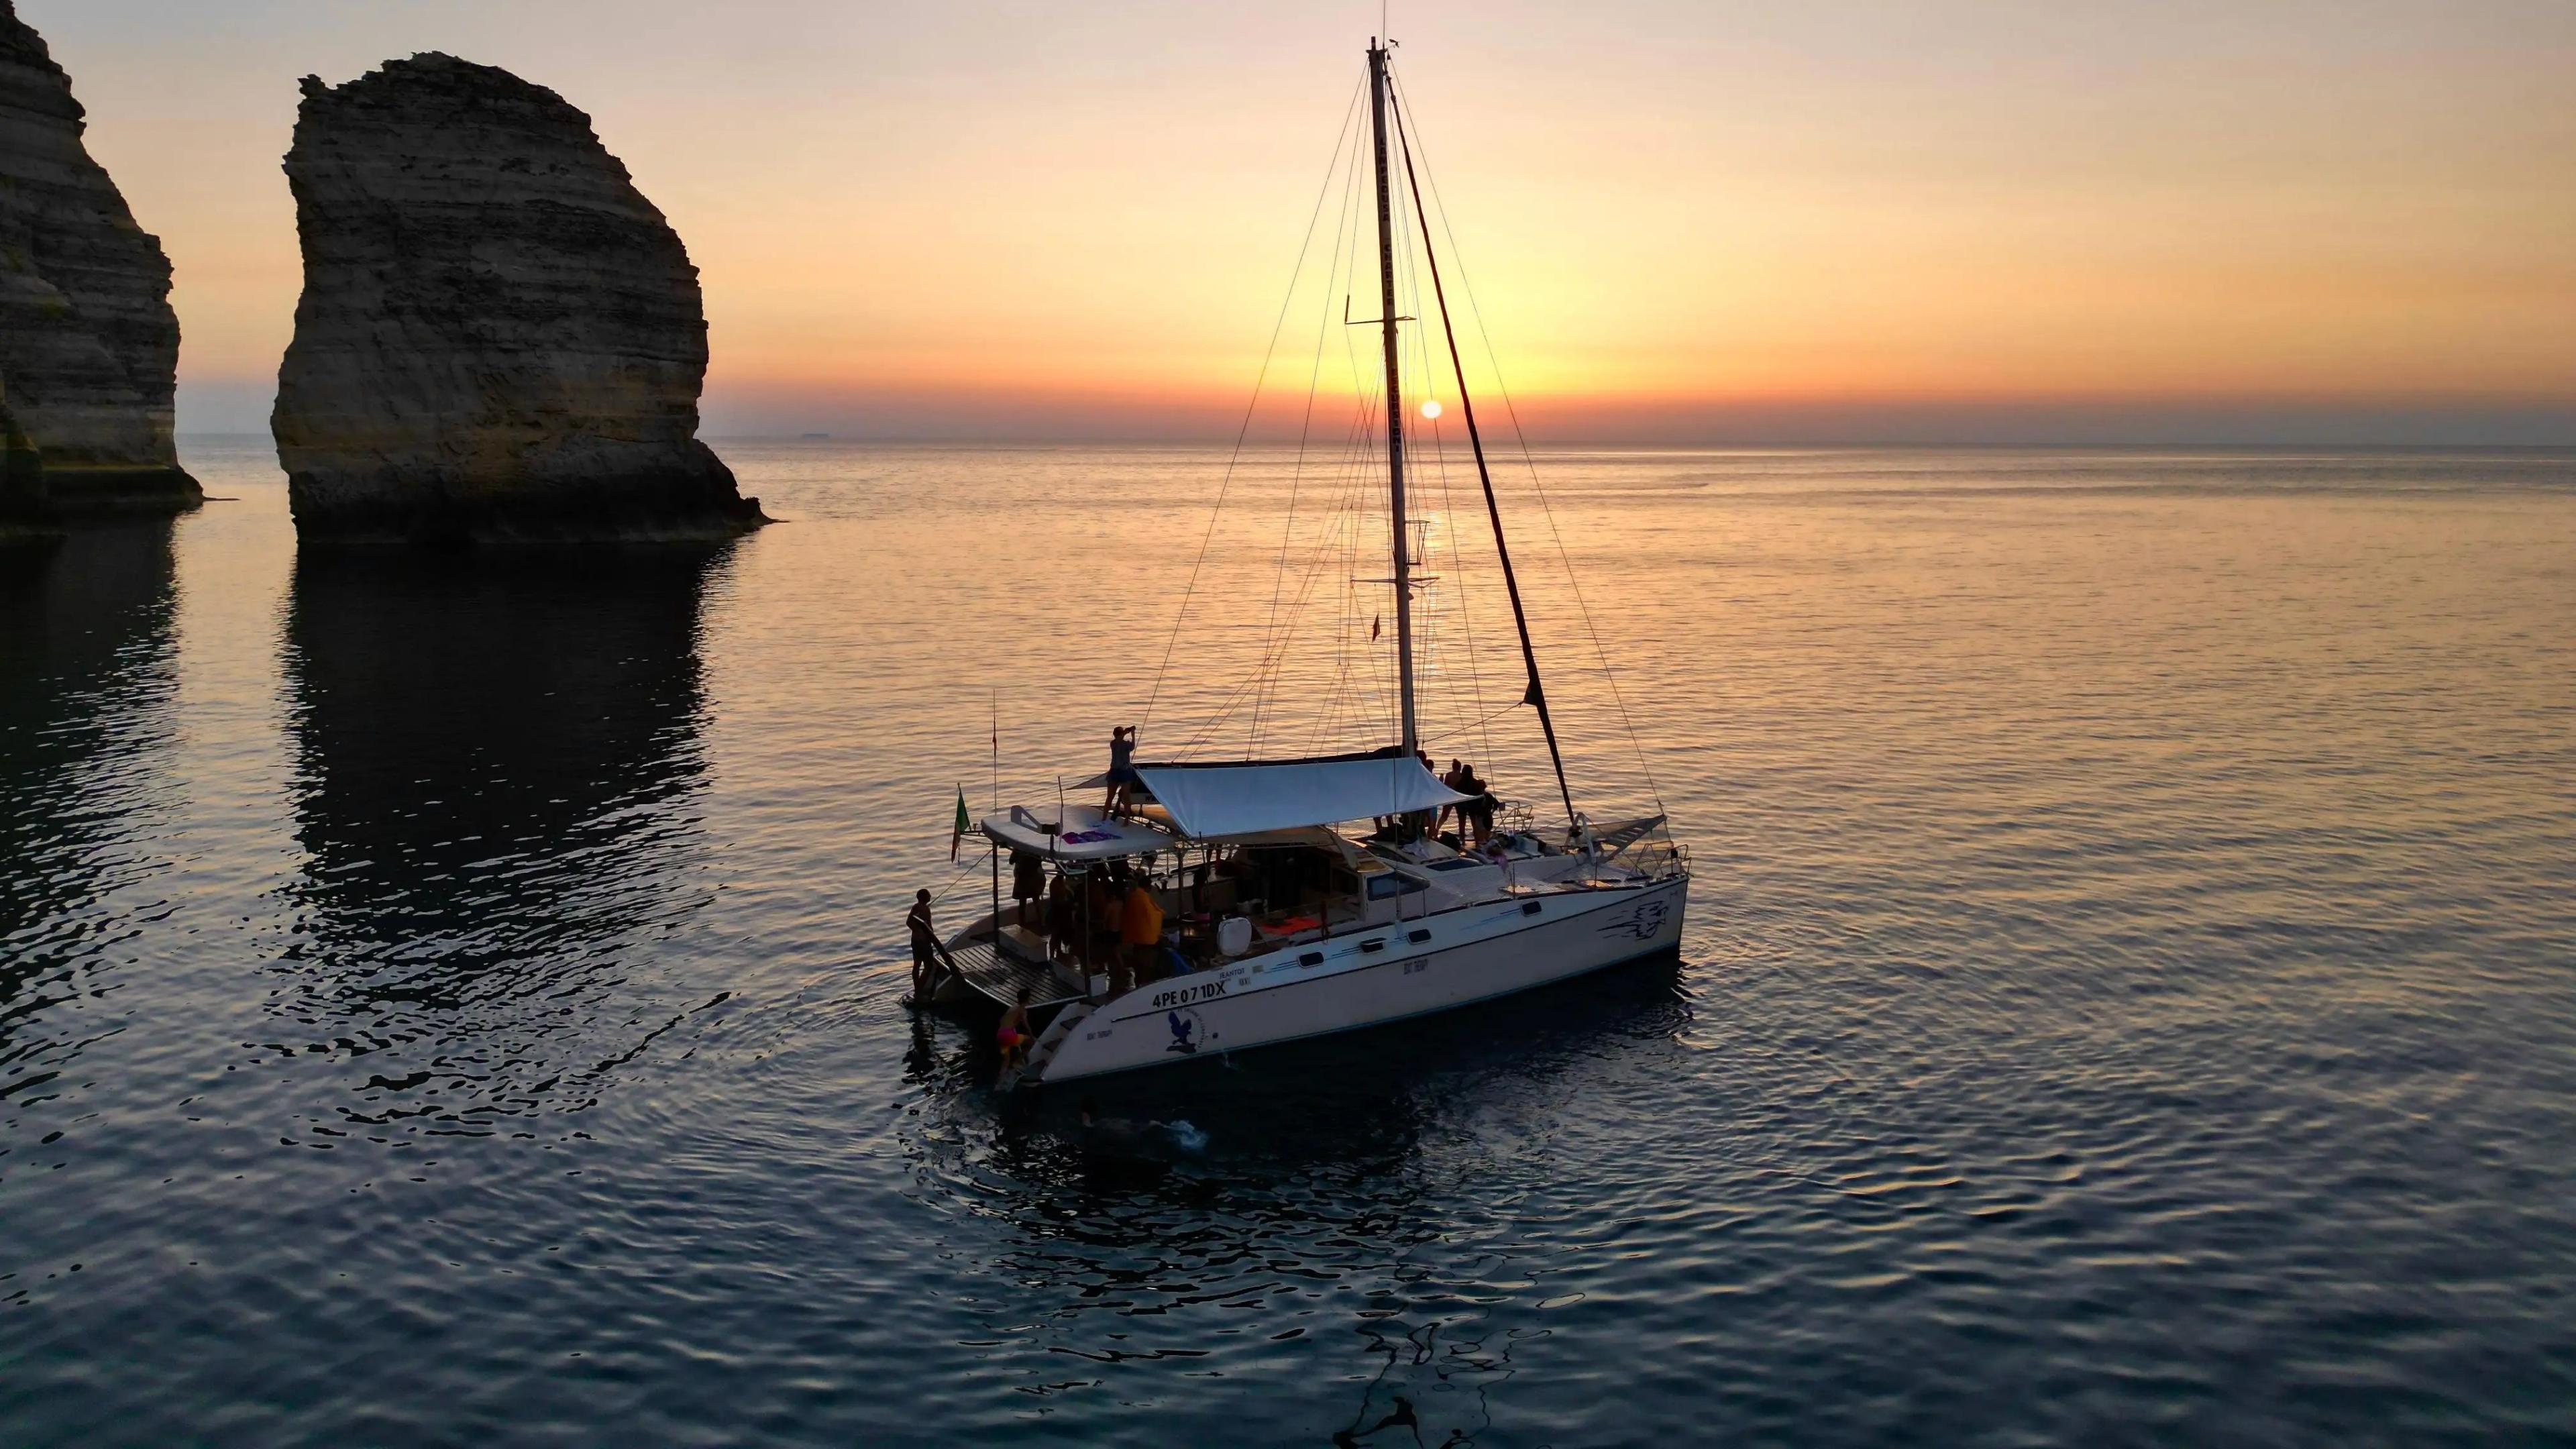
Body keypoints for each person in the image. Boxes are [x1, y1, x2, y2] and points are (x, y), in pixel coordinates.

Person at [906, 888, 955, 1004]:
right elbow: (929, 926)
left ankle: (917, 989)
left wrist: (916, 930)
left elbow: (909, 922)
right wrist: (930, 937)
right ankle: (919, 991)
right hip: (923, 942)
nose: (931, 896)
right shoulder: (926, 909)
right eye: (929, 895)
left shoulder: (915, 907)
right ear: (924, 897)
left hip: (915, 941)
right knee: (928, 966)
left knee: (917, 965)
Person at [1120, 871, 1164, 992]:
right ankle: (1143, 986)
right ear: (1148, 887)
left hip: (1135, 936)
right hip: (1145, 937)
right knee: (1145, 965)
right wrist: (1159, 915)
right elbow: (1152, 915)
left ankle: (1139, 983)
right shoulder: (1143, 898)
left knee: (1138, 964)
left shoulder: (1133, 896)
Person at [1102, 724, 1140, 814]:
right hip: (1120, 772)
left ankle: (1108, 817)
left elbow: (1129, 745)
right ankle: (1105, 817)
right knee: (1112, 797)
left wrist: (1128, 732)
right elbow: (1132, 746)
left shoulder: (1115, 743)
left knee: (1123, 797)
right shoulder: (1118, 744)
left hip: (1119, 771)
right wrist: (1131, 734)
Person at [996, 987, 1034, 1071]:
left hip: (1000, 1035)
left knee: (1006, 1061)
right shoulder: (1022, 1010)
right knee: (1031, 1041)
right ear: (1028, 999)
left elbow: (1002, 1021)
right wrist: (1032, 1036)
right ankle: (1018, 1061)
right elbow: (1026, 1026)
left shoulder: (1013, 1007)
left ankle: (1001, 1079)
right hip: (1008, 1036)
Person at [1011, 850, 1045, 927]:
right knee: (1036, 901)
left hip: (1024, 879)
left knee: (1023, 904)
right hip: (1034, 878)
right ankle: (1042, 923)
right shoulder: (1034, 849)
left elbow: (1011, 861)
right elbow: (1039, 861)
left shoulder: (1019, 848)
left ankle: (1022, 925)